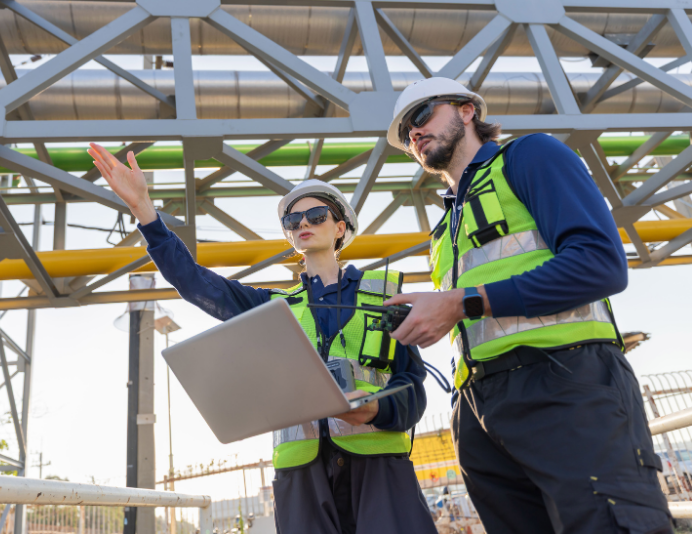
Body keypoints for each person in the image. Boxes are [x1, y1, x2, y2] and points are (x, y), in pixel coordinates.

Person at [87, 144, 438, 534]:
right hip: (301, 472)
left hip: (379, 467)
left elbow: (412, 385)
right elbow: (194, 281)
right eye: (293, 219)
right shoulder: (273, 307)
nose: (303, 222)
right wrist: (144, 210)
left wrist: (375, 410)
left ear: (340, 227)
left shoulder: (383, 297)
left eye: (316, 215)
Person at [382, 77, 673, 534]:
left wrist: (462, 302)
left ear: (465, 111)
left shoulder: (529, 156)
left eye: (421, 116)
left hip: (564, 385)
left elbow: (601, 264)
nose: (413, 134)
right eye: (405, 135)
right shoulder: (444, 232)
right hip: (478, 411)